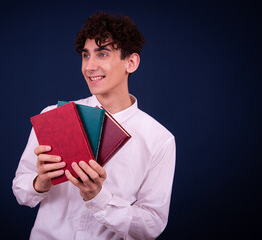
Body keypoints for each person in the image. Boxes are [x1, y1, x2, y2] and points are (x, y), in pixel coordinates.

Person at [12, 11, 176, 240]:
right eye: (85, 55)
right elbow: (21, 191)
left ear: (131, 62)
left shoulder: (159, 140)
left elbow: (151, 225)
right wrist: (40, 182)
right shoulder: (54, 116)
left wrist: (98, 197)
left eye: (102, 54)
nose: (89, 66)